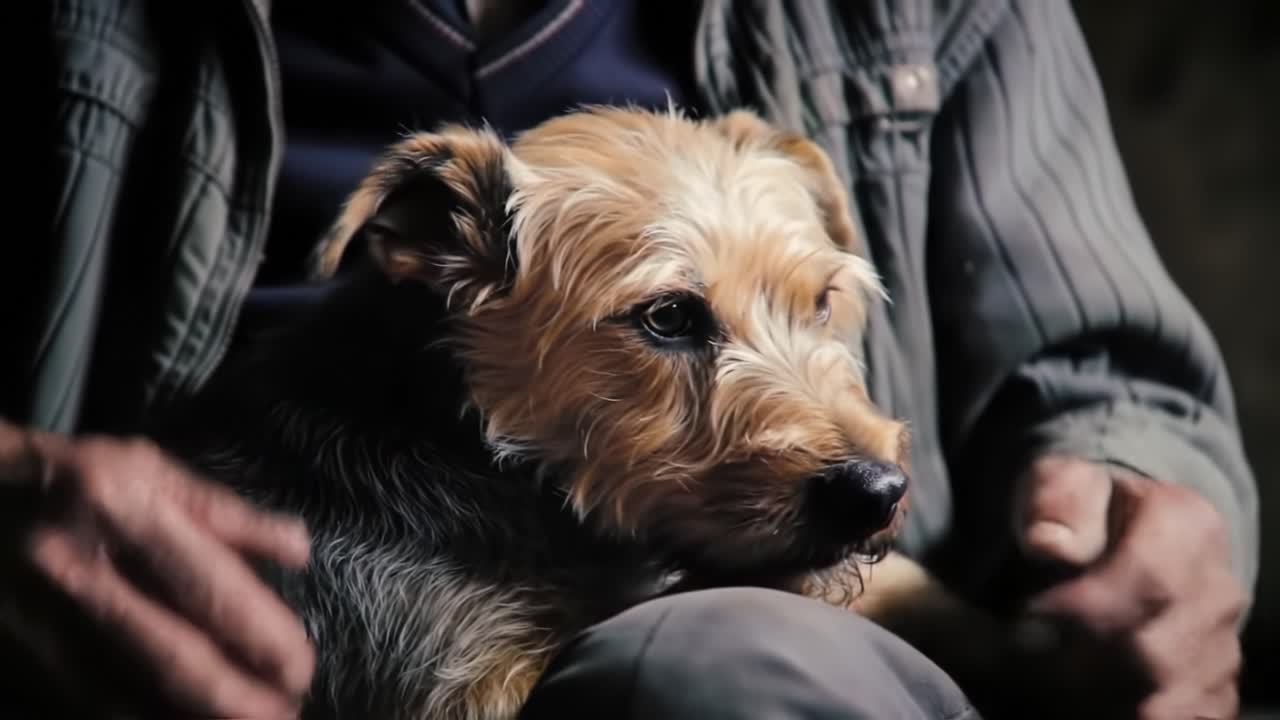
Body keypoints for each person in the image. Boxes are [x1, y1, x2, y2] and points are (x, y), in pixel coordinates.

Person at [5, 0, 1257, 717]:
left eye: (817, 308)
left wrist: (1127, 496)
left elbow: (1103, 380)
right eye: (673, 323)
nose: (855, 449)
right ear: (431, 253)